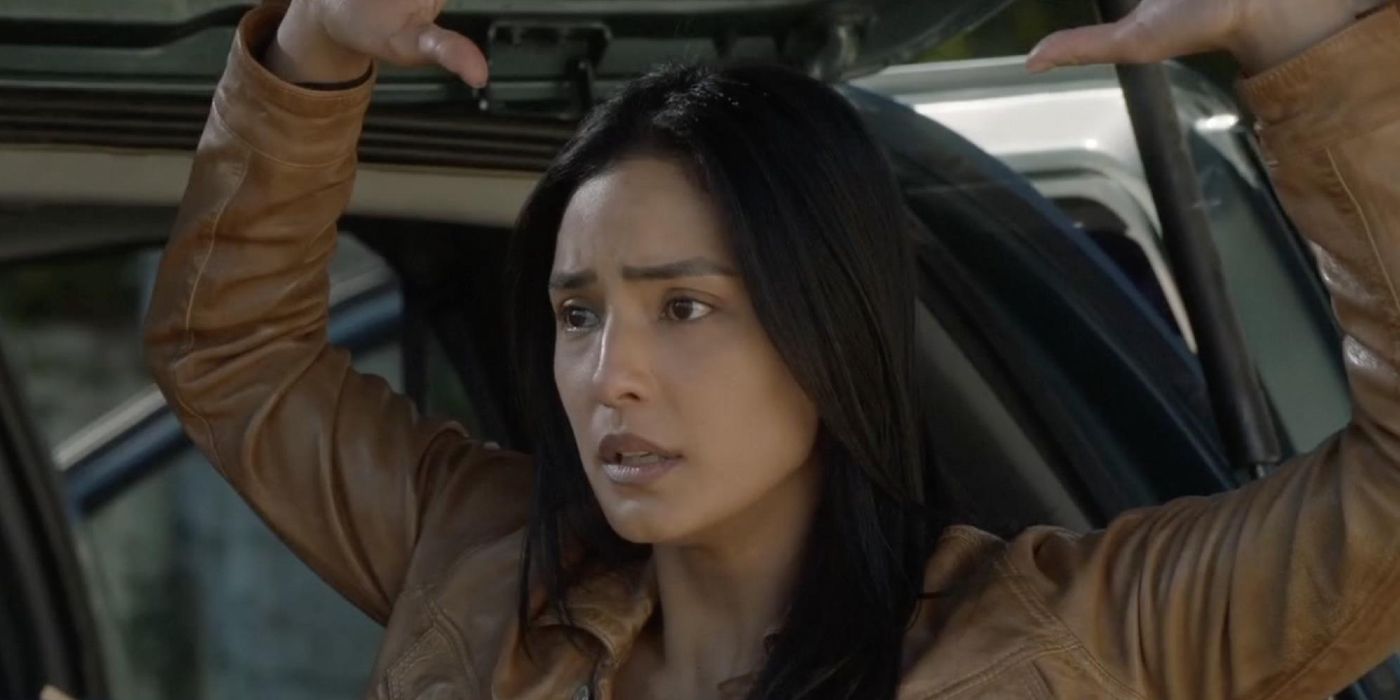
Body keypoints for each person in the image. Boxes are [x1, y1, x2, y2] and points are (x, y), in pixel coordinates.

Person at [141, 0, 1400, 696]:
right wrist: (314, 46)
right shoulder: (483, 573)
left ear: (825, 324)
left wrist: (1298, 36)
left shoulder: (1078, 639)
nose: (609, 375)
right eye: (579, 314)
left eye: (683, 307)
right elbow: (232, 351)